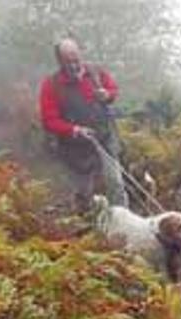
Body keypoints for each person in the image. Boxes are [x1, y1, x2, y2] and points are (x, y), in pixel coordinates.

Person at [39, 38, 125, 210]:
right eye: (67, 61)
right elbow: (49, 120)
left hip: (105, 138)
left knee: (115, 183)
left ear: (80, 54)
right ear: (59, 61)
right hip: (75, 147)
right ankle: (86, 227)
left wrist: (107, 95)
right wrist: (74, 130)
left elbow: (114, 90)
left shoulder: (96, 72)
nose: (73, 65)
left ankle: (123, 221)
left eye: (76, 59)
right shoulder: (51, 85)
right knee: (83, 192)